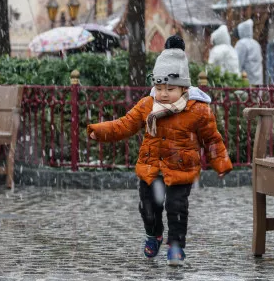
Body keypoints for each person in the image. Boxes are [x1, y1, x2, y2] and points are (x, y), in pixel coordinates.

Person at [87, 36, 232, 266]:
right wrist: (100, 131)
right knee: (148, 207)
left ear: (184, 87)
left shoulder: (198, 110)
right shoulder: (148, 105)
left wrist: (221, 162)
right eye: (159, 87)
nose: (163, 94)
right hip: (151, 167)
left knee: (176, 208)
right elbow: (125, 124)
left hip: (181, 167)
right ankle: (153, 234)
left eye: (170, 89)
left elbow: (211, 138)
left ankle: (176, 246)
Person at [235, 19, 263, 85]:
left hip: (246, 82)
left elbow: (237, 63)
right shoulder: (256, 44)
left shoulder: (241, 44)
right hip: (258, 82)